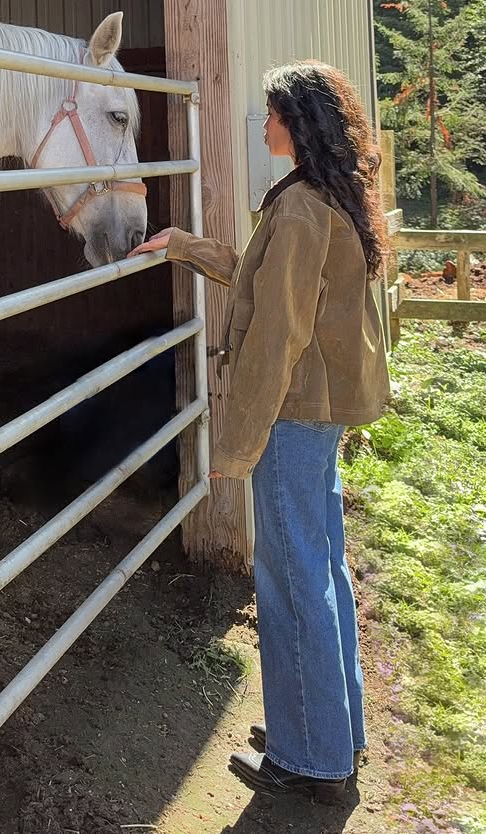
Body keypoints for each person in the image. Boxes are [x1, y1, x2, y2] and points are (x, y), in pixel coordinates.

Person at [129, 60, 390, 803]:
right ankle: (331, 733)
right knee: (323, 569)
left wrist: (234, 448)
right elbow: (262, 279)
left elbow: (274, 336)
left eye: (274, 114)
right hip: (317, 414)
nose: (266, 124)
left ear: (297, 126)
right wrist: (185, 243)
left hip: (291, 416)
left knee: (293, 581)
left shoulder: (304, 208)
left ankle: (310, 762)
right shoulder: (321, 199)